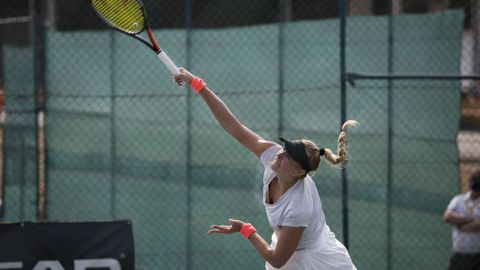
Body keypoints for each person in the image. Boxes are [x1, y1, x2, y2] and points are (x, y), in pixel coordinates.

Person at [174, 68, 357, 270]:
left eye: (288, 156)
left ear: (299, 172)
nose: (280, 154)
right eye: (285, 149)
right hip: (287, 251)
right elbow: (233, 126)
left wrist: (246, 230)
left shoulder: (298, 207)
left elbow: (277, 260)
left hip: (318, 262)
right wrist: (197, 84)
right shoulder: (273, 156)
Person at [444, 169, 480, 270]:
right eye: (474, 179)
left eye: (479, 179)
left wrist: (459, 224)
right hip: (460, 255)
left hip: (478, 256)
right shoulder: (458, 200)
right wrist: (471, 219)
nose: (476, 182)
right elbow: (448, 216)